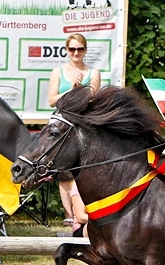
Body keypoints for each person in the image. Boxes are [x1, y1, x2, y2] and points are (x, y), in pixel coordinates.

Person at [48, 33, 101, 227]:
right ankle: (69, 214)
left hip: (83, 124)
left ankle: (84, 211)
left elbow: (92, 98)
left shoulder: (93, 72)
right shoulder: (58, 72)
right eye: (72, 49)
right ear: (66, 50)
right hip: (63, 124)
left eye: (80, 49)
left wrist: (80, 89)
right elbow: (52, 100)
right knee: (64, 171)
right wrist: (72, 88)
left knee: (82, 168)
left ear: (85, 50)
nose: (76, 53)